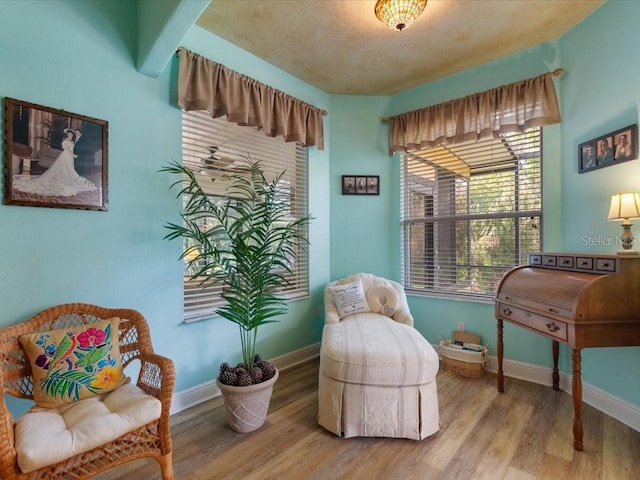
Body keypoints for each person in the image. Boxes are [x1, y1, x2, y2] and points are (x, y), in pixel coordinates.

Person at [12, 129, 97, 197]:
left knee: (70, 167)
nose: (70, 135)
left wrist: (73, 155)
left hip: (71, 157)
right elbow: (66, 149)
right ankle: (73, 177)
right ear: (67, 135)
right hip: (66, 155)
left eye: (71, 134)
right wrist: (73, 155)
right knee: (67, 167)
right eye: (69, 134)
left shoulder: (72, 141)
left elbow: (73, 148)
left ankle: (70, 177)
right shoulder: (65, 141)